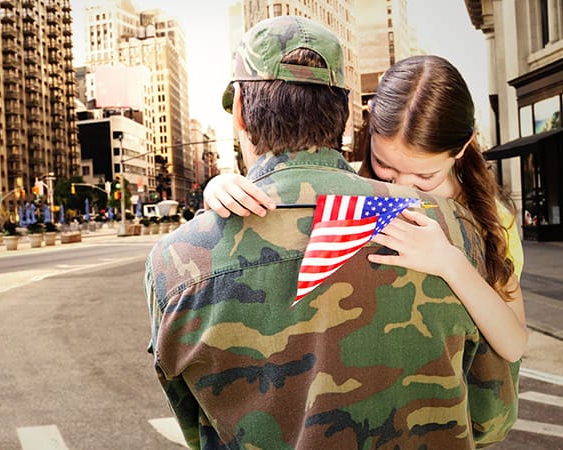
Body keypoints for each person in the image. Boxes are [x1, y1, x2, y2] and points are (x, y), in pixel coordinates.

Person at [144, 17, 518, 449]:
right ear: (342, 114)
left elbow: (197, 427)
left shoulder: (174, 263)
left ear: (241, 111)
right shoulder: (448, 226)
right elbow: (492, 418)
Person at [204, 54, 527, 363]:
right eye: (385, 165)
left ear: (463, 147)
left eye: (425, 175)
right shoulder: (347, 184)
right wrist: (222, 188)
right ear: (370, 122)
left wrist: (452, 264)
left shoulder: (489, 217)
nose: (404, 184)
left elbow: (514, 344)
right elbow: (284, 217)